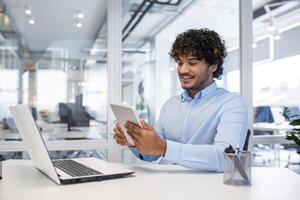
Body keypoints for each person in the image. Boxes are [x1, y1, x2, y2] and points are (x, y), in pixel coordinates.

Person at [113, 28, 248, 172]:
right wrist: (134, 141)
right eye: (179, 62)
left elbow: (226, 158)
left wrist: (163, 147)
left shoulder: (231, 103)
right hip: (163, 186)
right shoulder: (170, 105)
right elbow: (151, 154)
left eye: (192, 62)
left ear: (213, 65)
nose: (183, 70)